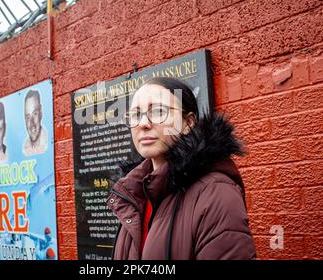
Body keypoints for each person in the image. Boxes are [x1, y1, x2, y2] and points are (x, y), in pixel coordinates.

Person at [107, 77, 256, 260]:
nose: (143, 124)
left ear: (188, 123)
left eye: (158, 111)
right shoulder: (134, 193)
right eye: (136, 115)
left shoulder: (215, 192)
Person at [23, 90, 48, 156]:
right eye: (28, 117)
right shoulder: (24, 147)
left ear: (41, 113)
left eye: (35, 114)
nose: (32, 123)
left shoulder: (47, 142)